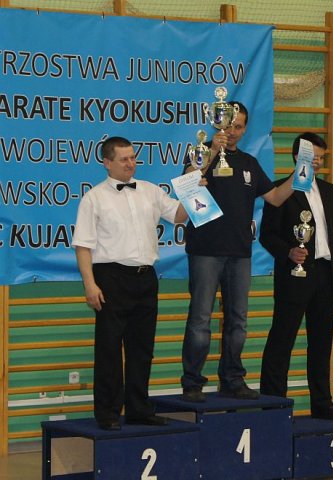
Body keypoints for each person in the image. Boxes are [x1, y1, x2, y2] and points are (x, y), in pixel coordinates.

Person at [180, 102, 294, 402]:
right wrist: (211, 152)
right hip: (205, 250)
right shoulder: (200, 152)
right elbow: (189, 179)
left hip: (240, 253)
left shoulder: (249, 163)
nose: (232, 131)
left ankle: (232, 379)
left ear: (244, 129)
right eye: (228, 124)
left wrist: (300, 174)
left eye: (239, 126)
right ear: (217, 123)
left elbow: (276, 198)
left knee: (238, 321)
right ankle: (192, 383)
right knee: (200, 319)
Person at [72, 136, 188, 430]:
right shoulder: (94, 198)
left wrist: (195, 190)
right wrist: (89, 285)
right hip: (110, 278)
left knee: (142, 348)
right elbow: (83, 246)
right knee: (109, 349)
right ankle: (108, 413)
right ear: (107, 162)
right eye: (124, 159)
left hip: (145, 277)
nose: (130, 163)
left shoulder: (150, 191)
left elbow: (179, 216)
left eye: (133, 157)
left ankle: (139, 409)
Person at [259, 132, 333, 421]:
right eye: (313, 157)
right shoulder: (280, 190)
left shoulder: (329, 190)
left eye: (322, 157)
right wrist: (288, 252)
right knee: (282, 341)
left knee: (321, 344)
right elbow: (267, 235)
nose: (318, 162)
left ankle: (322, 403)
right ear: (298, 156)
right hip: (294, 276)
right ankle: (273, 406)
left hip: (324, 276)